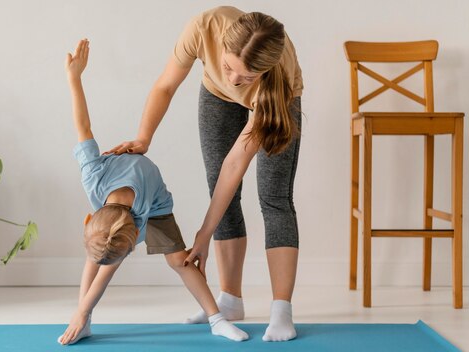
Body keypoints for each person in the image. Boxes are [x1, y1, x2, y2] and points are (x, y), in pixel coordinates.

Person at [106, 6, 303, 342]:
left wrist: (203, 234)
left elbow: (234, 165)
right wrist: (144, 137)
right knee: (221, 191)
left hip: (274, 102)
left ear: (263, 71)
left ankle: (282, 311)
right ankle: (229, 301)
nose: (234, 80)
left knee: (274, 197)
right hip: (215, 99)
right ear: (221, 45)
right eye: (228, 67)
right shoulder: (203, 28)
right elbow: (166, 85)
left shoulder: (277, 78)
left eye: (245, 76)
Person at [58, 39, 249, 345]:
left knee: (179, 261)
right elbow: (83, 125)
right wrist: (74, 78)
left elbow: (105, 274)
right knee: (98, 251)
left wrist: (78, 312)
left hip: (156, 204)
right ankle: (87, 320)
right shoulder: (93, 176)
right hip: (125, 211)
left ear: (136, 237)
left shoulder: (142, 215)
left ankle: (216, 319)